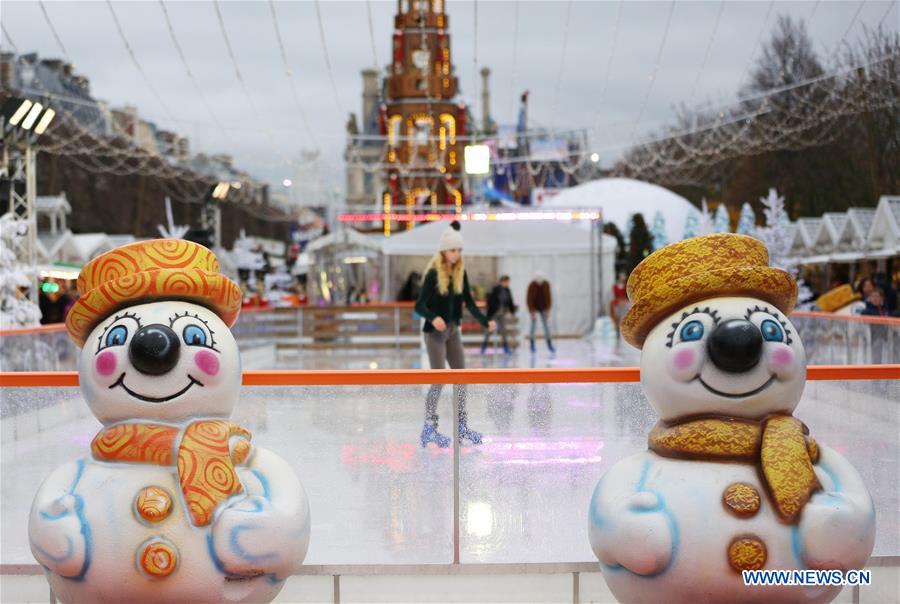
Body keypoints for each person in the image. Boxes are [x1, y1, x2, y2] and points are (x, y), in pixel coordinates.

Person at [415, 221, 495, 447]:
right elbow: (419, 306)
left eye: (459, 250)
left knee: (462, 377)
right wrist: (433, 318)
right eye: (453, 250)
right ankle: (429, 427)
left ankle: (461, 426)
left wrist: (484, 321)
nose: (457, 254)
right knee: (438, 379)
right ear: (443, 250)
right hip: (434, 333)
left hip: (453, 332)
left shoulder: (461, 272)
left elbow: (468, 302)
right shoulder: (432, 274)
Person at [482, 275, 517, 355]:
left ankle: (506, 347)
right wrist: (494, 309)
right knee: (489, 330)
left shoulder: (507, 290)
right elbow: (490, 300)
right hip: (493, 313)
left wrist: (512, 311)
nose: (508, 283)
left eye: (508, 282)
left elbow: (510, 301)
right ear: (502, 281)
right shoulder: (496, 289)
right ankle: (483, 347)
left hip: (502, 314)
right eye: (507, 282)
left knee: (503, 330)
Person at [526, 272, 554, 354]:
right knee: (533, 327)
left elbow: (549, 297)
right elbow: (529, 299)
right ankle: (532, 345)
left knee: (546, 327)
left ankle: (549, 344)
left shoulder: (546, 284)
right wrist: (532, 311)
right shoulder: (531, 285)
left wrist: (548, 309)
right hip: (534, 308)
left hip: (544, 308)